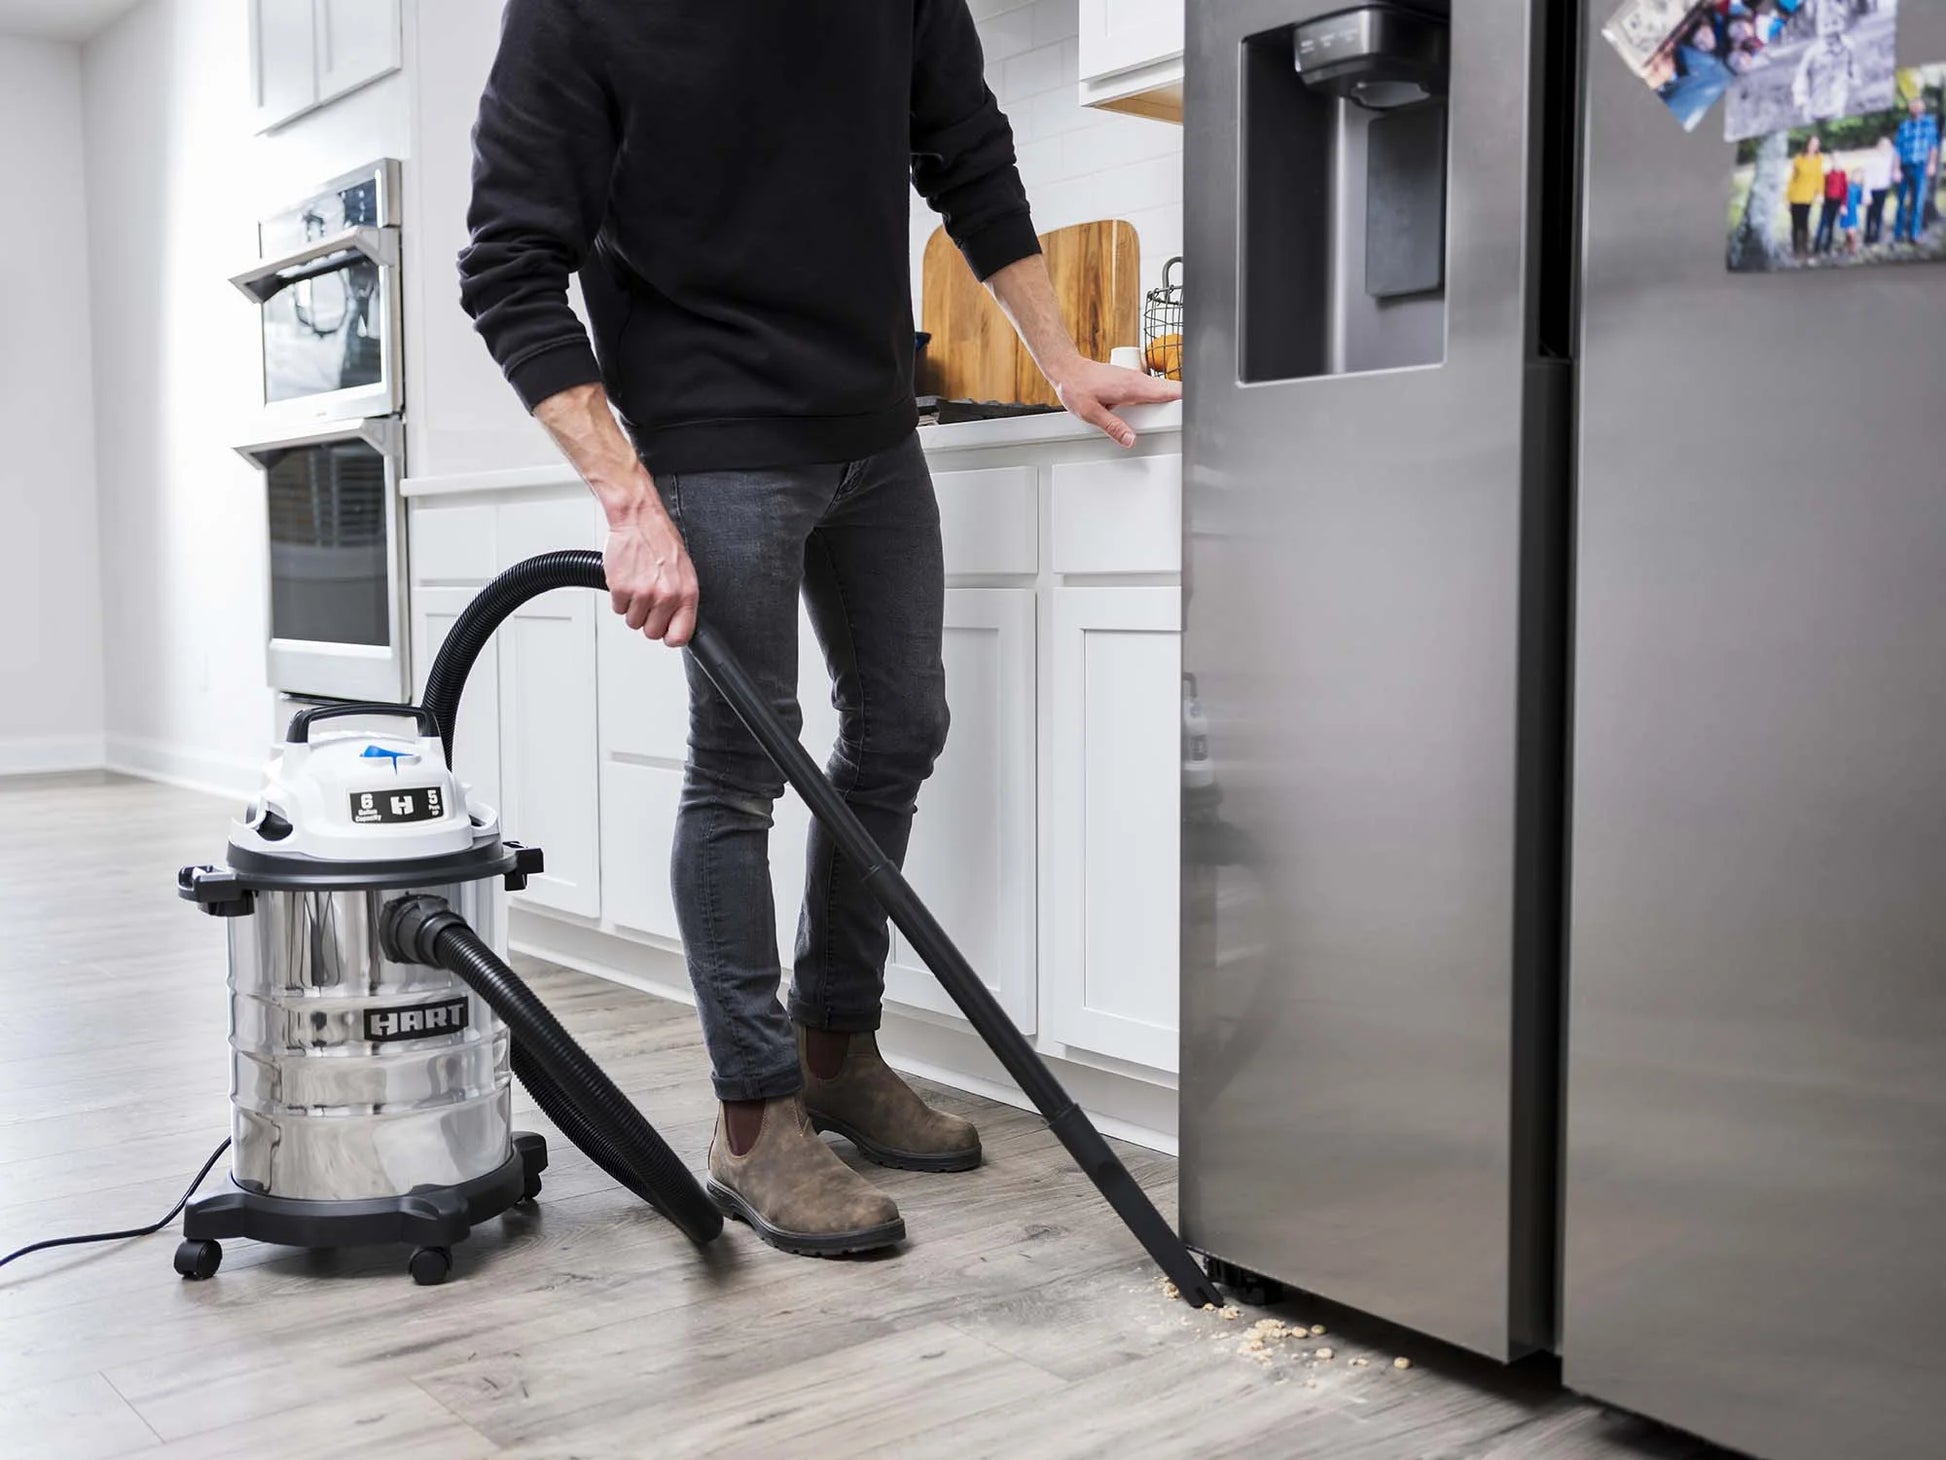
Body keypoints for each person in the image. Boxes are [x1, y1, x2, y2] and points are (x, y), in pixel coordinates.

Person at [456, 0, 1177, 1258]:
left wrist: (1060, 358)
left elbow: (966, 149)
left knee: (900, 727)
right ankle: (752, 1117)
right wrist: (628, 501)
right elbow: (507, 265)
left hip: (876, 426)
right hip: (712, 435)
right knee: (741, 769)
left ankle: (834, 1049)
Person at [1893, 94, 1941, 244]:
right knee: (1901, 202)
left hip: (1920, 167)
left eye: (1918, 105)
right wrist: (1896, 169)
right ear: (1910, 108)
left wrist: (1932, 164)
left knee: (1917, 202)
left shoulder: (1928, 124)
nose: (1915, 108)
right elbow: (1897, 149)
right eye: (1913, 105)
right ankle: (1898, 234)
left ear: (1923, 108)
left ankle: (1914, 234)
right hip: (1904, 167)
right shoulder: (1904, 126)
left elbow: (1933, 146)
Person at [1792, 20, 1858, 126]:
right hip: (1815, 103)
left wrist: (1854, 80)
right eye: (1826, 26)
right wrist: (1801, 98)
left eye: (1834, 24)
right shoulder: (1812, 53)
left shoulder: (1847, 47)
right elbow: (1801, 75)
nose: (1830, 30)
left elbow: (1852, 65)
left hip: (1837, 100)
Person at [1788, 134, 1827, 259]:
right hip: (1795, 196)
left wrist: (1820, 193)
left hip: (1808, 197)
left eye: (1816, 144)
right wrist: (1787, 198)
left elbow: (1820, 178)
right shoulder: (1799, 158)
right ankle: (1795, 249)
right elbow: (1792, 179)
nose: (1814, 146)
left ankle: (1804, 249)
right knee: (1795, 224)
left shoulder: (1819, 158)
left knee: (1804, 223)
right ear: (1807, 144)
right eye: (1812, 143)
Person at [1863, 134, 1897, 244]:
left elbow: (1896, 153)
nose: (1884, 148)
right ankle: (1868, 235)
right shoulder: (1873, 159)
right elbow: (1867, 177)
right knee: (1870, 214)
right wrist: (1866, 193)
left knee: (1879, 213)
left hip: (1883, 189)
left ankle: (1877, 235)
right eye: (1882, 145)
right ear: (1878, 146)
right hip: (1873, 189)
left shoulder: (1890, 158)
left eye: (1887, 146)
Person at [1815, 156, 1848, 254]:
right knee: (1822, 223)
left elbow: (1844, 191)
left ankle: (1828, 246)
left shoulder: (1842, 174)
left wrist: (1843, 204)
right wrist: (1821, 196)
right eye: (1834, 161)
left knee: (1832, 224)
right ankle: (1816, 246)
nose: (1836, 164)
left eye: (1837, 161)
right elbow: (1823, 186)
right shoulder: (1828, 174)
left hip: (1837, 201)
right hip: (1827, 201)